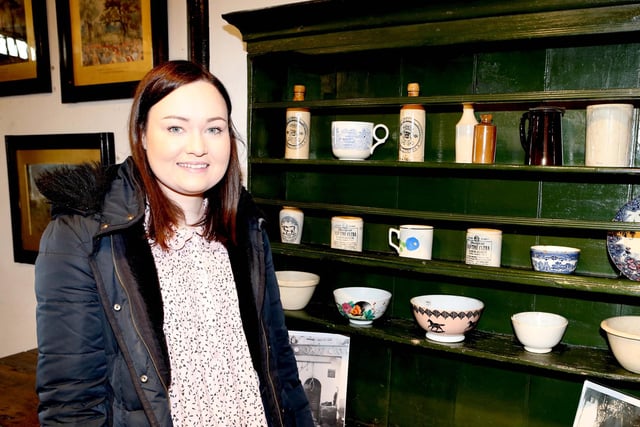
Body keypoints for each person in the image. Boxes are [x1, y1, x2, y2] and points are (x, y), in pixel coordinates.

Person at [34, 60, 314, 426]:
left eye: (214, 129)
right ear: (144, 135)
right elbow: (71, 402)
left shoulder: (247, 227)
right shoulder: (84, 237)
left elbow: (279, 365)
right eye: (176, 127)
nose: (198, 147)